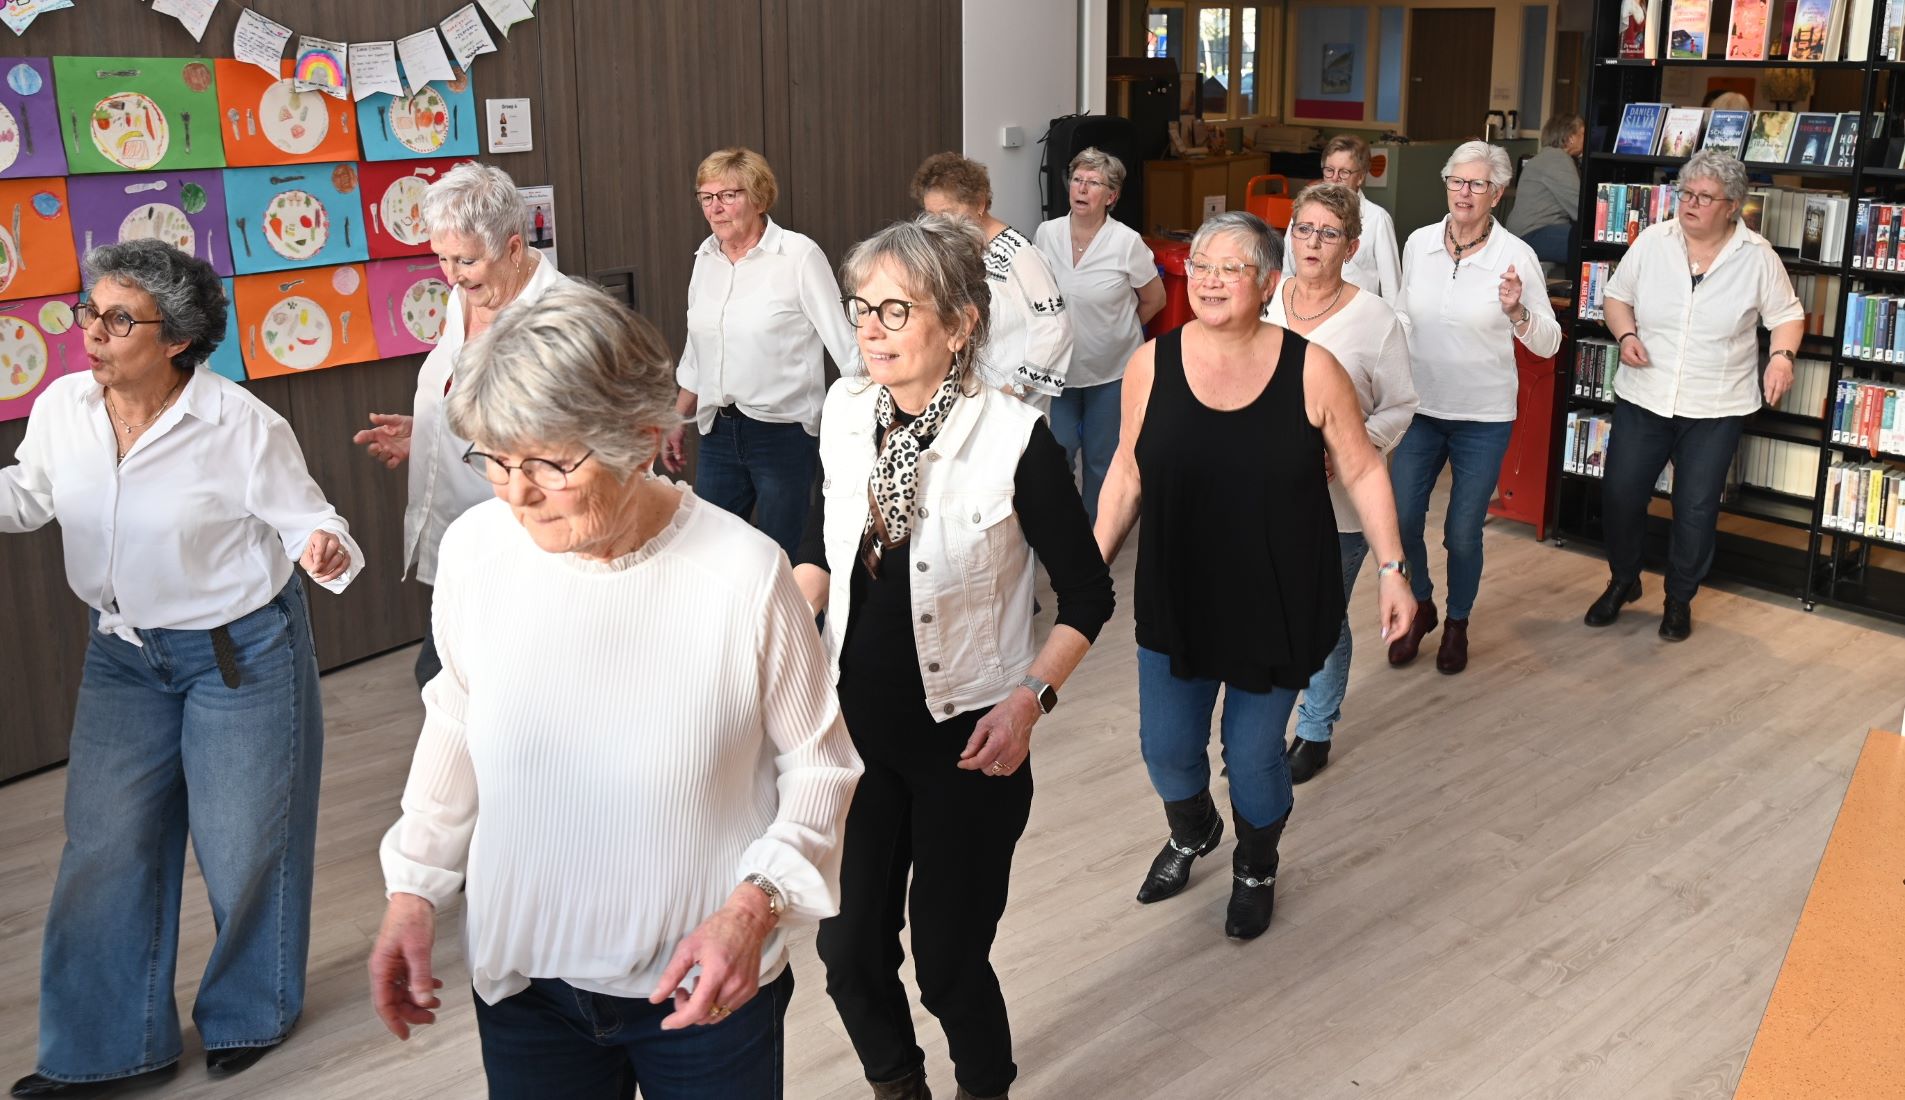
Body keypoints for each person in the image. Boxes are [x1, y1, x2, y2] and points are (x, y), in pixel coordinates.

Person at [369, 281, 861, 1099]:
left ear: (640, 435)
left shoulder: (740, 573)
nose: (518, 493)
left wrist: (754, 909)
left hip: (702, 994)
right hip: (525, 992)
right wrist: (414, 887)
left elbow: (820, 768)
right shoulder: (476, 550)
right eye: (495, 459)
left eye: (551, 463)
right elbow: (455, 715)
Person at [2, 241, 361, 1097]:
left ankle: (251, 1014)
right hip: (123, 655)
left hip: (238, 654)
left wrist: (323, 550)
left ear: (176, 340)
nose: (91, 329)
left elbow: (313, 521)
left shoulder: (238, 424)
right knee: (105, 847)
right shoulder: (63, 406)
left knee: (244, 850)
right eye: (89, 310)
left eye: (117, 318)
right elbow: (28, 493)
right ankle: (105, 1049)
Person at [794, 214, 1113, 1100]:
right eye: (862, 309)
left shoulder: (1014, 440)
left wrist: (1027, 704)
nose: (868, 329)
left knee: (946, 961)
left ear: (960, 322)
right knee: (848, 952)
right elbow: (822, 550)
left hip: (970, 742)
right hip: (855, 735)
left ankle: (984, 1089)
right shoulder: (845, 412)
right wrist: (781, 621)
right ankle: (899, 1086)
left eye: (895, 311)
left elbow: (1089, 597)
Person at [1095, 212, 1413, 942]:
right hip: (1179, 587)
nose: (1208, 278)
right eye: (1199, 263)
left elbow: (1362, 469)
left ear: (1266, 284)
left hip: (1274, 591)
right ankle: (1193, 828)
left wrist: (1392, 570)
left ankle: (1256, 866)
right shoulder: (1152, 363)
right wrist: (1089, 571)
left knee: (1251, 754)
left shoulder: (1311, 368)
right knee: (1167, 750)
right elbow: (1125, 470)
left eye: (1229, 267)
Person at [352, 162, 567, 689]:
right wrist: (427, 427)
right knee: (450, 674)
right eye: (442, 257)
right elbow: (466, 391)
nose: (450, 273)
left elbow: (565, 452)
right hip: (456, 534)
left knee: (463, 680)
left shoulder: (558, 320)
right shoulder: (467, 295)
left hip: (517, 548)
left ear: (514, 248)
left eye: (465, 260)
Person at [1587, 150, 1804, 640]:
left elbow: (1787, 315)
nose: (1690, 203)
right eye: (1686, 192)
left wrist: (1781, 357)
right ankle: (1624, 581)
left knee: (1696, 507)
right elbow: (1617, 296)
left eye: (1705, 197)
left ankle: (1679, 599)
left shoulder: (1758, 257)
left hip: (1716, 405)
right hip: (1646, 395)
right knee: (1621, 495)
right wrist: (1625, 336)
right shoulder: (1652, 242)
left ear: (1733, 206)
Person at [1262, 183, 1418, 784]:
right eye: (1303, 229)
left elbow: (1402, 406)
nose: (1312, 242)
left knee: (1321, 614)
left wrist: (1349, 448)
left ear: (1351, 246)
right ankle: (1263, 721)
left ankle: (1316, 726)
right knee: (1273, 610)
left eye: (1328, 233)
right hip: (1267, 495)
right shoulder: (1268, 298)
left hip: (1341, 505)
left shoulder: (1374, 319)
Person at [1387, 141, 1562, 675]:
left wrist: (1517, 312)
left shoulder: (1516, 256)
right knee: (1403, 517)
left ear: (1498, 193)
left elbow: (1549, 343)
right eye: (1457, 181)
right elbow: (1401, 316)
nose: (1464, 193)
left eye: (1478, 184)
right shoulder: (1418, 243)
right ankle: (1421, 604)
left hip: (1483, 417)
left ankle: (1458, 621)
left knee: (1462, 531)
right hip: (1420, 407)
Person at [661, 146, 859, 557]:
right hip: (717, 431)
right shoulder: (706, 259)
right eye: (707, 197)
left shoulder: (798, 256)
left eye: (728, 195)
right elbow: (697, 351)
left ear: (758, 196)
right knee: (709, 552)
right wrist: (676, 418)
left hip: (783, 434)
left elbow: (847, 348)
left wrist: (859, 430)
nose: (716, 208)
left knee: (782, 557)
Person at [1034, 148, 1166, 521]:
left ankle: (1096, 538)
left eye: (1093, 183)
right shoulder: (1046, 233)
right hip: (1058, 368)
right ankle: (1062, 530)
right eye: (1077, 179)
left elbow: (1154, 299)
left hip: (1112, 372)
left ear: (1111, 196)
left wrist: (1117, 332)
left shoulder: (1126, 242)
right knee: (1057, 452)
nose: (1082, 188)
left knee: (1101, 457)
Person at [912, 152, 1073, 411]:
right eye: (932, 214)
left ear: (979, 203)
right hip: (969, 397)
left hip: (1010, 404)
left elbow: (1055, 329)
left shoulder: (1019, 256)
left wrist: (1015, 390)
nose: (938, 224)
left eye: (947, 213)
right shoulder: (954, 250)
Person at [1279, 134, 1402, 298]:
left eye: (1344, 172)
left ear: (1360, 177)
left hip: (1358, 316)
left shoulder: (1378, 219)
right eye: (1329, 170)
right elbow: (1287, 270)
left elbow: (1392, 288)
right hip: (1307, 311)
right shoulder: (1303, 213)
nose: (1335, 178)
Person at [1505, 113, 1584, 266]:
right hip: (1532, 234)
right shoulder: (1558, 159)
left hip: (1527, 232)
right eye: (1582, 134)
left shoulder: (1547, 157)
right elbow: (1579, 206)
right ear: (1571, 137)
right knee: (1586, 243)